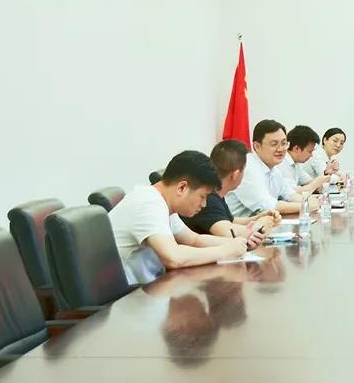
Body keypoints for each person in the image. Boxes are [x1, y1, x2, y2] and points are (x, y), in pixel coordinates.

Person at [109, 150, 248, 285]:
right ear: (182, 187)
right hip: (127, 295)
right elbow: (173, 258)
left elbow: (194, 240)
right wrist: (225, 251)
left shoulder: (162, 201)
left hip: (150, 287)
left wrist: (235, 244)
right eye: (203, 196)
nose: (204, 204)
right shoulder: (149, 203)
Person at [180, 139, 281, 241]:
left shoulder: (217, 192)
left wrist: (257, 218)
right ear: (235, 175)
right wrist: (260, 225)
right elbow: (229, 233)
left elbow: (229, 221)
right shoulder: (208, 198)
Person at [225, 119, 320, 217]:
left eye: (284, 143)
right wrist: (306, 205)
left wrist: (313, 201)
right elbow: (268, 206)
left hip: (262, 223)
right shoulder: (247, 167)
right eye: (274, 144)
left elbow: (289, 194)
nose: (281, 149)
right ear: (257, 146)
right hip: (236, 225)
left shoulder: (274, 169)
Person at [277, 125, 331, 194]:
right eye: (309, 151)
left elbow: (309, 182)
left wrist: (323, 177)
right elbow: (292, 193)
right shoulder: (281, 164)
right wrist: (317, 183)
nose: (311, 155)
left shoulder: (296, 164)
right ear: (296, 149)